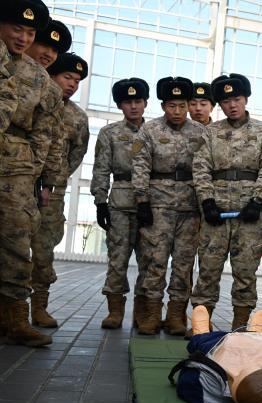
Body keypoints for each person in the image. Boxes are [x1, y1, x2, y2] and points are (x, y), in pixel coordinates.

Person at [191, 73, 262, 331]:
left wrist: (258, 199)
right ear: (220, 104)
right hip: (216, 210)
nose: (232, 105)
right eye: (226, 101)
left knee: (246, 270)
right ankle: (201, 323)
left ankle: (240, 325)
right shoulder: (210, 132)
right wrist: (207, 200)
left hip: (249, 211)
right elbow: (201, 166)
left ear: (246, 99)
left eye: (237, 99)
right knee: (208, 268)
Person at [0, 0, 63, 347]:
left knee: (15, 242)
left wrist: (34, 172)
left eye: (29, 32)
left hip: (16, 170)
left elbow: (44, 132)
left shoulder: (40, 79)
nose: (23, 38)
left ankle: (14, 319)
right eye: (16, 29)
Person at [131, 76, 205, 335]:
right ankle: (152, 314)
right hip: (157, 206)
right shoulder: (149, 130)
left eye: (182, 105)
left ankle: (175, 316)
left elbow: (206, 168)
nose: (177, 111)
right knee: (155, 260)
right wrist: (142, 200)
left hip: (190, 208)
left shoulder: (200, 132)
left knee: (184, 263)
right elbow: (140, 165)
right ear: (163, 106)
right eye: (172, 106)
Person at [30, 52, 89, 328]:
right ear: (52, 75)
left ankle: (39, 307)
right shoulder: (34, 100)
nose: (72, 85)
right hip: (19, 180)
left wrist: (57, 177)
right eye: (68, 78)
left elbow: (77, 153)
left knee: (44, 249)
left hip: (52, 191)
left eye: (77, 81)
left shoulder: (77, 116)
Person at [92, 78, 150, 329]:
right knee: (117, 258)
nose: (133, 106)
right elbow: (101, 168)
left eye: (138, 101)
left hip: (151, 203)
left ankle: (142, 312)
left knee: (149, 260)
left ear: (146, 102)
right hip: (120, 204)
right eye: (127, 102)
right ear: (119, 105)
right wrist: (100, 202)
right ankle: (115, 311)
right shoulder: (110, 133)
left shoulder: (155, 131)